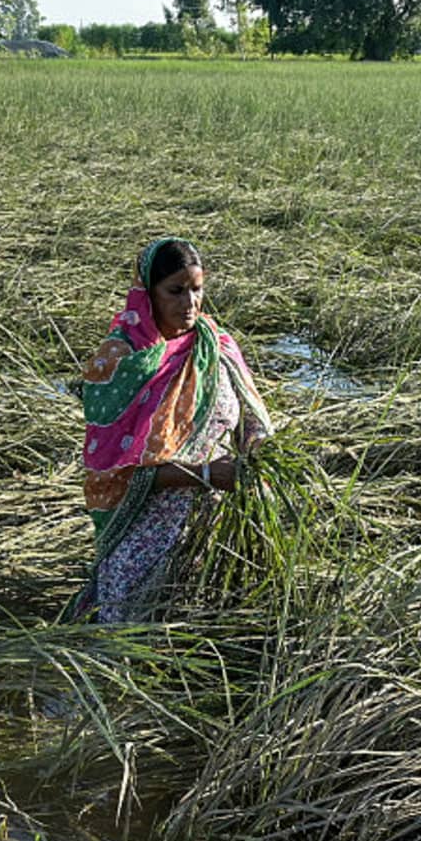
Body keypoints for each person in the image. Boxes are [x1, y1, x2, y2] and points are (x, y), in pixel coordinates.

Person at [66, 237, 272, 622]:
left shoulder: (216, 344)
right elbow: (114, 471)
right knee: (128, 631)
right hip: (145, 527)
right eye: (175, 291)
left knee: (207, 626)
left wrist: (255, 452)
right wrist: (207, 475)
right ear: (148, 294)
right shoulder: (119, 364)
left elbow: (251, 414)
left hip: (216, 519)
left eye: (196, 290)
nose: (189, 303)